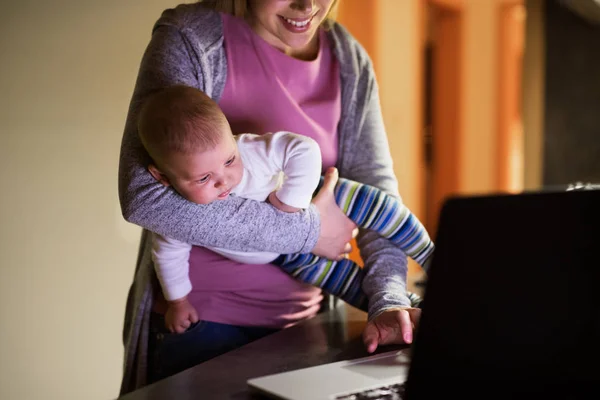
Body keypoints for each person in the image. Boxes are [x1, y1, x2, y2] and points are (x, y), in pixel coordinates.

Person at [119, 0, 423, 394]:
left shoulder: (349, 59)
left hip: (308, 324)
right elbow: (146, 197)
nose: (308, 5)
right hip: (201, 330)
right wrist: (305, 232)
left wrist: (387, 298)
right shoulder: (193, 37)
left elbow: (376, 188)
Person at [137, 85, 434, 333]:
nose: (224, 180)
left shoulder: (250, 151)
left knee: (384, 208)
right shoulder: (174, 216)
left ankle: (433, 258)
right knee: (348, 285)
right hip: (287, 257)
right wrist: (178, 301)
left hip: (320, 194)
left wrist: (293, 203)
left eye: (229, 161)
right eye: (204, 178)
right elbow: (168, 256)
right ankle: (413, 313)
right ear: (162, 177)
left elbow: (303, 149)